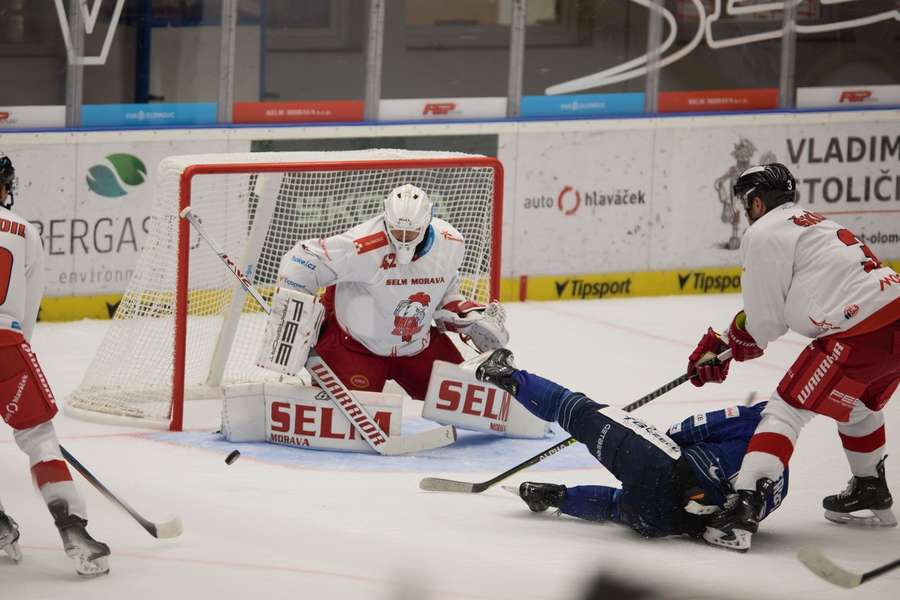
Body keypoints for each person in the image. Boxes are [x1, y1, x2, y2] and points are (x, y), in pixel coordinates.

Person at [686, 163, 900, 552]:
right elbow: (771, 317)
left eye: (744, 203)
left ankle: (743, 508)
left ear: (755, 201)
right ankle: (870, 488)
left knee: (785, 409)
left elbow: (766, 325)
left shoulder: (764, 231)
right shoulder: (814, 224)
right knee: (854, 405)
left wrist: (726, 344)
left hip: (858, 330)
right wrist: (728, 342)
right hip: (892, 317)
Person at [473, 348, 787, 543]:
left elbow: (684, 431)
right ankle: (556, 497)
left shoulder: (753, 421)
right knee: (620, 506)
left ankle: (503, 373)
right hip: (664, 522)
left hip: (659, 468)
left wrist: (649, 443)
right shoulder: (781, 483)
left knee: (576, 411)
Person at [277, 183, 508, 400]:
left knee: (471, 398)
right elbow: (302, 259)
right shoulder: (363, 244)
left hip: (417, 347)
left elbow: (445, 290)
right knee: (345, 424)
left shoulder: (451, 242)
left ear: (427, 221)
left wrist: (464, 314)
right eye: (397, 232)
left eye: (411, 232)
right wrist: (293, 316)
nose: (404, 239)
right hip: (356, 348)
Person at [0, 154, 110, 576]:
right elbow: (29, 307)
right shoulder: (23, 230)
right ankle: (74, 531)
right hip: (7, 345)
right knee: (39, 437)